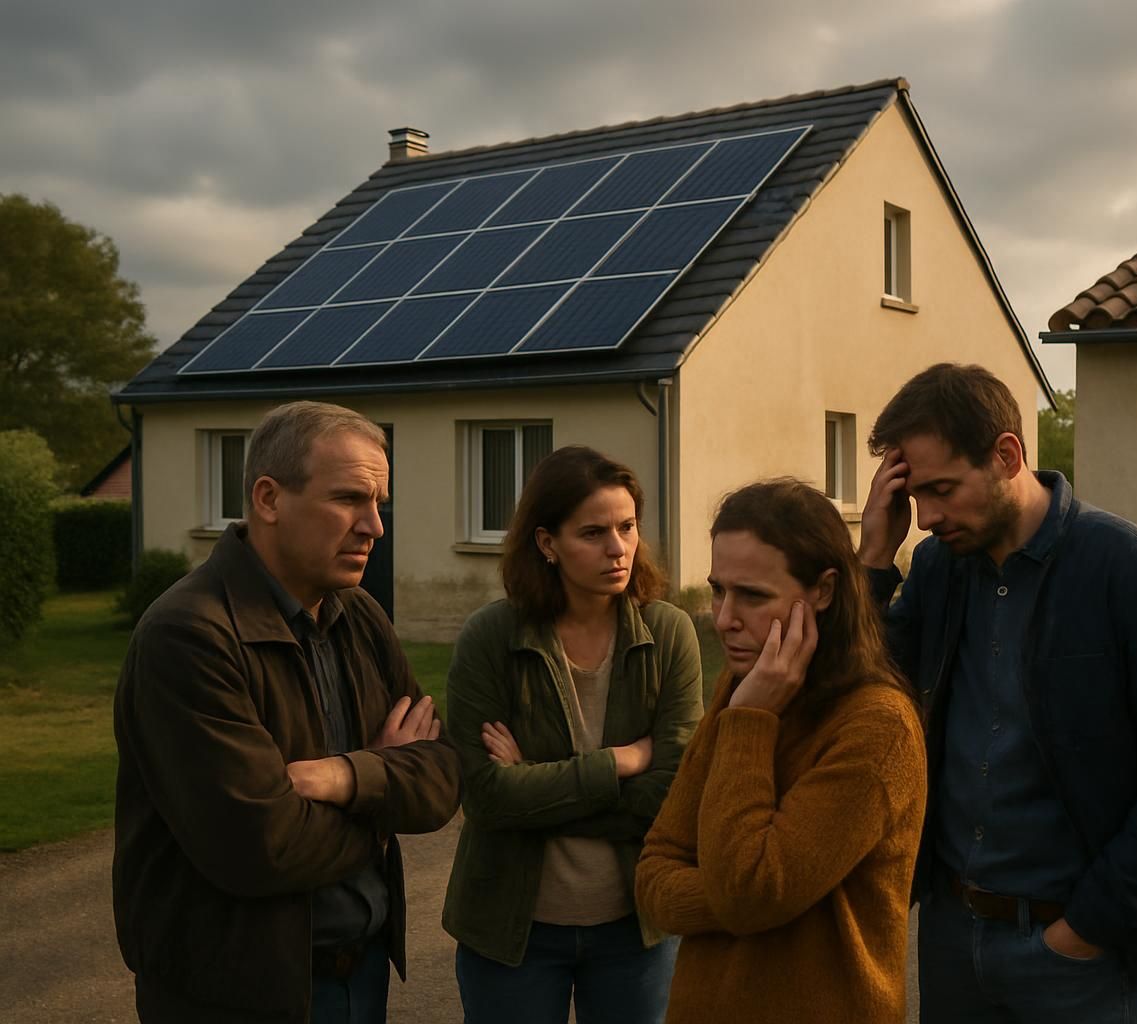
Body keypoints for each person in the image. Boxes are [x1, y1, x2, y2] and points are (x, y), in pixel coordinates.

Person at [858, 363, 1137, 1024]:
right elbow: (864, 696)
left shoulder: (1132, 571)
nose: (926, 518)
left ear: (1008, 455)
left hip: (1075, 952)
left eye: (942, 489)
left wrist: (1086, 929)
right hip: (952, 933)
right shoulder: (938, 570)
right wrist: (871, 563)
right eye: (915, 495)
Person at [112, 401, 461, 1024]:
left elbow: (439, 780)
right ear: (269, 498)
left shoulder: (360, 616)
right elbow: (260, 847)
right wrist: (383, 802)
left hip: (361, 977)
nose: (375, 527)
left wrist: (350, 776)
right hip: (235, 996)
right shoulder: (188, 635)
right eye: (349, 498)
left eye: (378, 502)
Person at [636, 479, 927, 1024]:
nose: (723, 617)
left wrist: (751, 722)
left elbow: (751, 891)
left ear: (822, 590)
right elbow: (653, 875)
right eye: (718, 589)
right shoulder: (741, 687)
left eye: (752, 595)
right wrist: (742, 899)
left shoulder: (877, 726)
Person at [442, 445, 702, 1024]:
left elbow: (673, 797)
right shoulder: (492, 636)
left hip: (634, 930)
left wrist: (535, 785)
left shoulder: (669, 633)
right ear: (547, 544)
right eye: (593, 533)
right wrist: (617, 764)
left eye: (628, 527)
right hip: (512, 932)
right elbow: (484, 797)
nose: (618, 549)